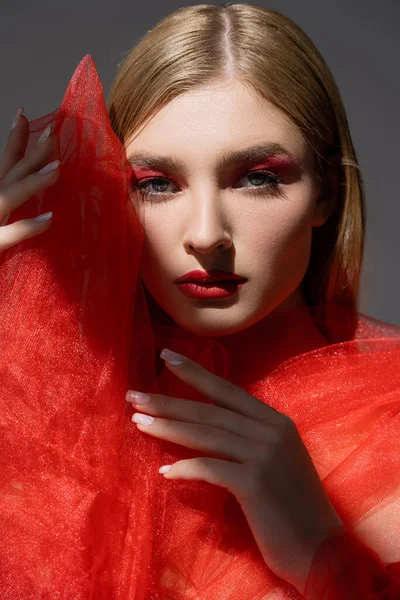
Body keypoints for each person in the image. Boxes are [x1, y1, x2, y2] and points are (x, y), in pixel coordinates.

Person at [0, 4, 399, 599]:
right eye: (156, 185)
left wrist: (322, 553)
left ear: (326, 195)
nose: (207, 232)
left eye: (257, 176)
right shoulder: (54, 418)